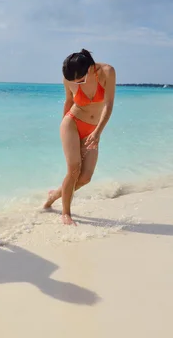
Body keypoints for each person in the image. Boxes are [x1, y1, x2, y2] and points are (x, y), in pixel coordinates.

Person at [43, 49, 116, 226]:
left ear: (91, 68)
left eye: (81, 80)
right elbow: (69, 102)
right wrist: (63, 127)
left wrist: (98, 132)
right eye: (75, 82)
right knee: (74, 169)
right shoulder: (69, 78)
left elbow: (108, 104)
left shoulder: (107, 72)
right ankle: (65, 214)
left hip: (94, 129)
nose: (78, 84)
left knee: (85, 178)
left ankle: (54, 195)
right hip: (72, 124)